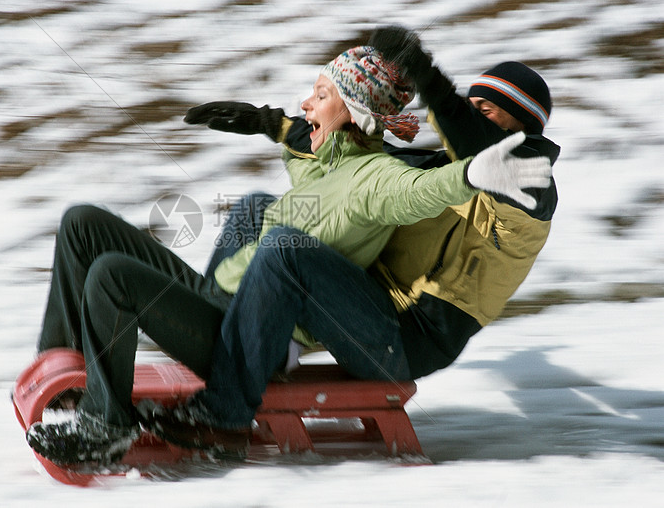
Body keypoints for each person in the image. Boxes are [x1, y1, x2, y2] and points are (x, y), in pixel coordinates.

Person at [142, 42, 554, 455]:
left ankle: (223, 410)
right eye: (470, 106)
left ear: (523, 129)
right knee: (256, 209)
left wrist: (430, 80)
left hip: (405, 341)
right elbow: (351, 162)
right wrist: (274, 124)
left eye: (484, 112)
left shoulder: (528, 195)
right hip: (362, 303)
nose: (466, 117)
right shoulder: (444, 167)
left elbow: (488, 152)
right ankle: (219, 331)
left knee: (287, 252)